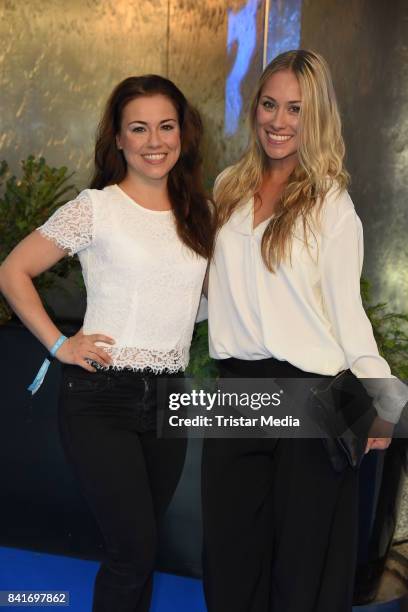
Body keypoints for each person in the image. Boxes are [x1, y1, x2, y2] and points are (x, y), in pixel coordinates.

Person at [0, 74, 214, 612]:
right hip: (100, 399)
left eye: (165, 126)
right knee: (133, 553)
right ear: (118, 139)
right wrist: (59, 344)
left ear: (182, 134)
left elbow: (198, 300)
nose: (154, 141)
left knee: (140, 554)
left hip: (170, 398)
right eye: (138, 128)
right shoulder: (96, 208)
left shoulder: (201, 213)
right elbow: (13, 272)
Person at [203, 50, 406, 612]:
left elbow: (348, 312)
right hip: (237, 393)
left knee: (302, 568)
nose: (279, 120)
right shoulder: (226, 188)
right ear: (255, 110)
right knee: (230, 553)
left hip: (316, 399)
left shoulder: (332, 205)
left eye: (296, 108)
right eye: (270, 104)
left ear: (317, 118)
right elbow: (209, 294)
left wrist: (383, 400)